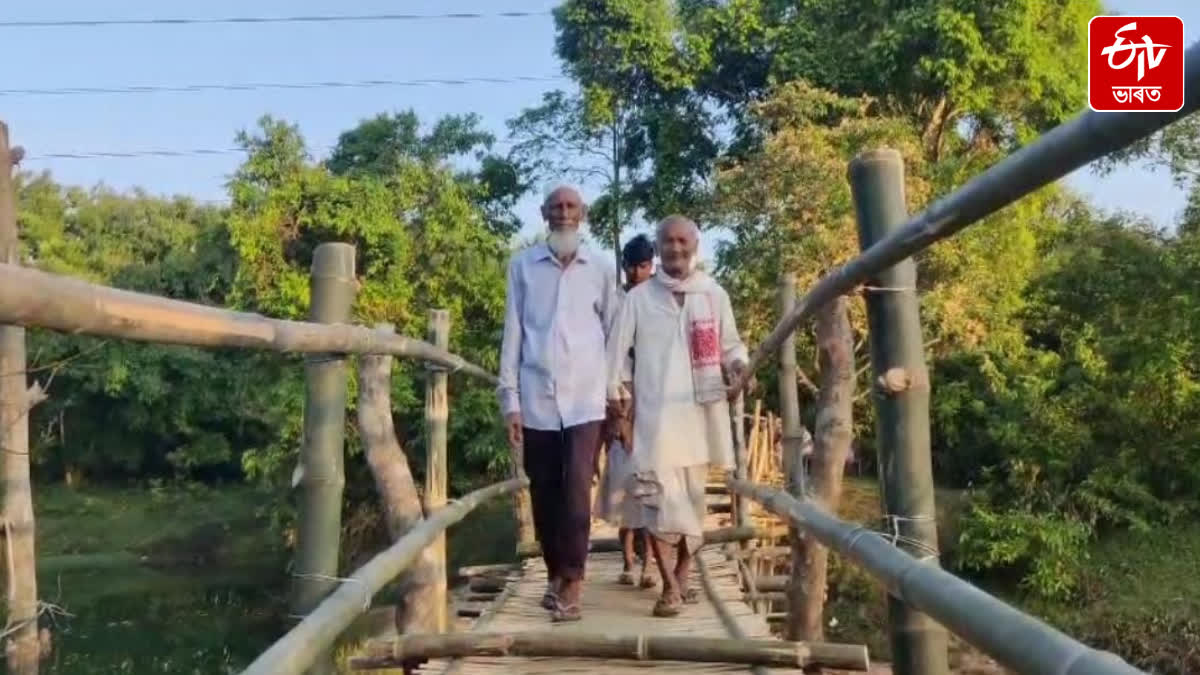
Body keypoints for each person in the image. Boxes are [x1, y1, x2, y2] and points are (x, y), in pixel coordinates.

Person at [605, 215, 751, 618]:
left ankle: (683, 573)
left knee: (693, 505)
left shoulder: (713, 295)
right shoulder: (638, 299)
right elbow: (616, 359)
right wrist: (619, 406)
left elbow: (732, 346)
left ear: (695, 246)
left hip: (700, 418)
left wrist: (739, 367)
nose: (675, 248)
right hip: (653, 421)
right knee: (656, 503)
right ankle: (669, 585)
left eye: (683, 241)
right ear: (658, 248)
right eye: (668, 241)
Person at [497, 184, 619, 623]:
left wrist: (615, 393)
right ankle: (554, 573)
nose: (564, 213)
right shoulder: (523, 266)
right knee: (544, 492)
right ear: (544, 213)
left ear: (582, 214)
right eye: (556, 207)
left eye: (571, 206)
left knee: (576, 492)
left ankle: (574, 580)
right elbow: (513, 334)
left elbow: (615, 333)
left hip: (587, 401)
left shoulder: (601, 268)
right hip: (537, 400)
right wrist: (510, 401)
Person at [594, 234, 656, 589]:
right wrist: (616, 412)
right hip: (620, 395)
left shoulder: (660, 299)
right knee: (623, 480)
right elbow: (608, 354)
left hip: (653, 395)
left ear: (652, 265)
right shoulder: (615, 302)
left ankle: (649, 563)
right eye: (631, 267)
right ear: (624, 267)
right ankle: (629, 560)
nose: (637, 273)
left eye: (643, 266)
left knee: (650, 483)